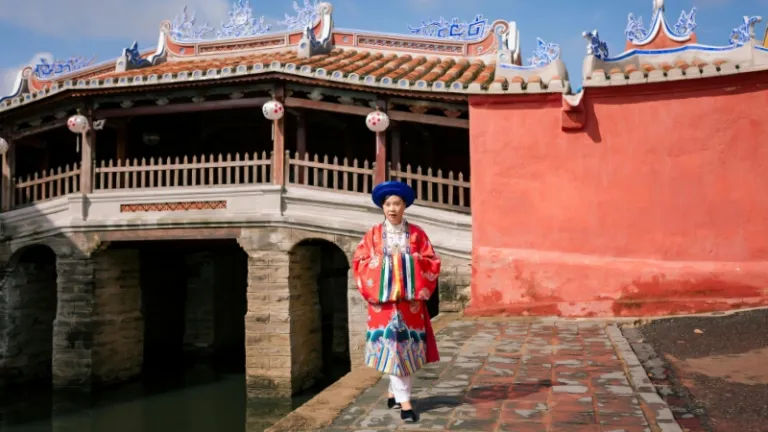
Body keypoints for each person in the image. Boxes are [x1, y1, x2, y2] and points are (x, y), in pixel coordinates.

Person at [352, 181, 441, 423]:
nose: (392, 208)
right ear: (383, 207)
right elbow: (360, 263)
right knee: (393, 350)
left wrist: (406, 263)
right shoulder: (372, 235)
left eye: (397, 204)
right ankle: (406, 404)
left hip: (409, 305)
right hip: (383, 305)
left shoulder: (416, 234)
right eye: (388, 204)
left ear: (404, 206)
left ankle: (394, 393)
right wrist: (389, 265)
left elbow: (431, 261)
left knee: (405, 351)